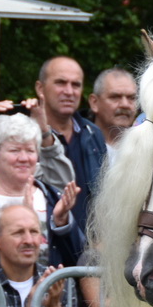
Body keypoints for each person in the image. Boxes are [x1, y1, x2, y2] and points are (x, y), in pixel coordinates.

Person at [0, 114, 82, 268]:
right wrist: (19, 217)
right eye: (15, 150)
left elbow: (79, 258)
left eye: (30, 150)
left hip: (50, 291)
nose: (23, 158)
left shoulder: (52, 196)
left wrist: (62, 223)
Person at [35, 57, 107, 233]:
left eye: (76, 85)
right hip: (42, 243)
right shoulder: (24, 135)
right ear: (40, 88)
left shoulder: (93, 133)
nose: (69, 91)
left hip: (87, 249)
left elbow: (102, 197)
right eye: (60, 83)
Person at [90, 68, 141, 162]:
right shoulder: (78, 145)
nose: (125, 104)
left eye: (131, 98)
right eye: (115, 97)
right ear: (94, 103)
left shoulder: (145, 149)